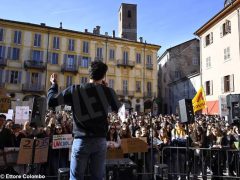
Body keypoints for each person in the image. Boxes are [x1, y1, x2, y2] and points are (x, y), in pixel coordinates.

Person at [47, 60, 121, 180]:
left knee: (76, 178)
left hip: (81, 141)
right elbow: (119, 110)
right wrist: (106, 91)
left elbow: (51, 101)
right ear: (103, 75)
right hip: (99, 141)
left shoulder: (75, 89)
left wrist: (53, 85)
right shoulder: (108, 91)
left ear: (89, 74)